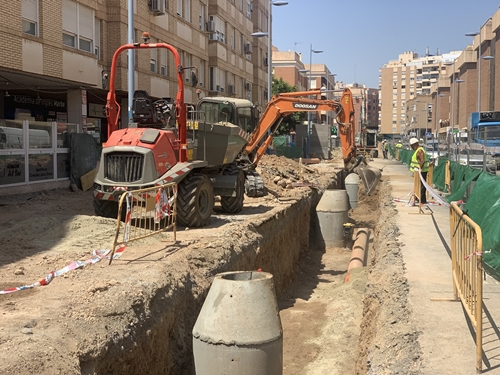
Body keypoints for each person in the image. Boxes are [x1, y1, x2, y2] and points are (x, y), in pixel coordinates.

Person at [409, 137, 429, 204]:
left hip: (422, 172)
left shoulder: (420, 150)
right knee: (419, 185)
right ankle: (419, 198)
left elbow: (422, 161)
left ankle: (422, 200)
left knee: (422, 186)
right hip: (419, 171)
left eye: (412, 146)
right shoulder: (418, 150)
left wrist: (420, 169)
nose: (411, 147)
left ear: (415, 144)